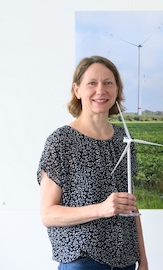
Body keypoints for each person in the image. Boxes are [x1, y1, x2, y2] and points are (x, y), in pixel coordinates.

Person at [37, 56, 148, 270]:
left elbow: (131, 206)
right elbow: (48, 214)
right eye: (92, 83)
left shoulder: (123, 139)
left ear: (117, 89)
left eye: (108, 83)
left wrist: (143, 260)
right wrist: (101, 209)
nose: (100, 90)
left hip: (126, 260)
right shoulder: (61, 142)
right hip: (83, 261)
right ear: (77, 90)